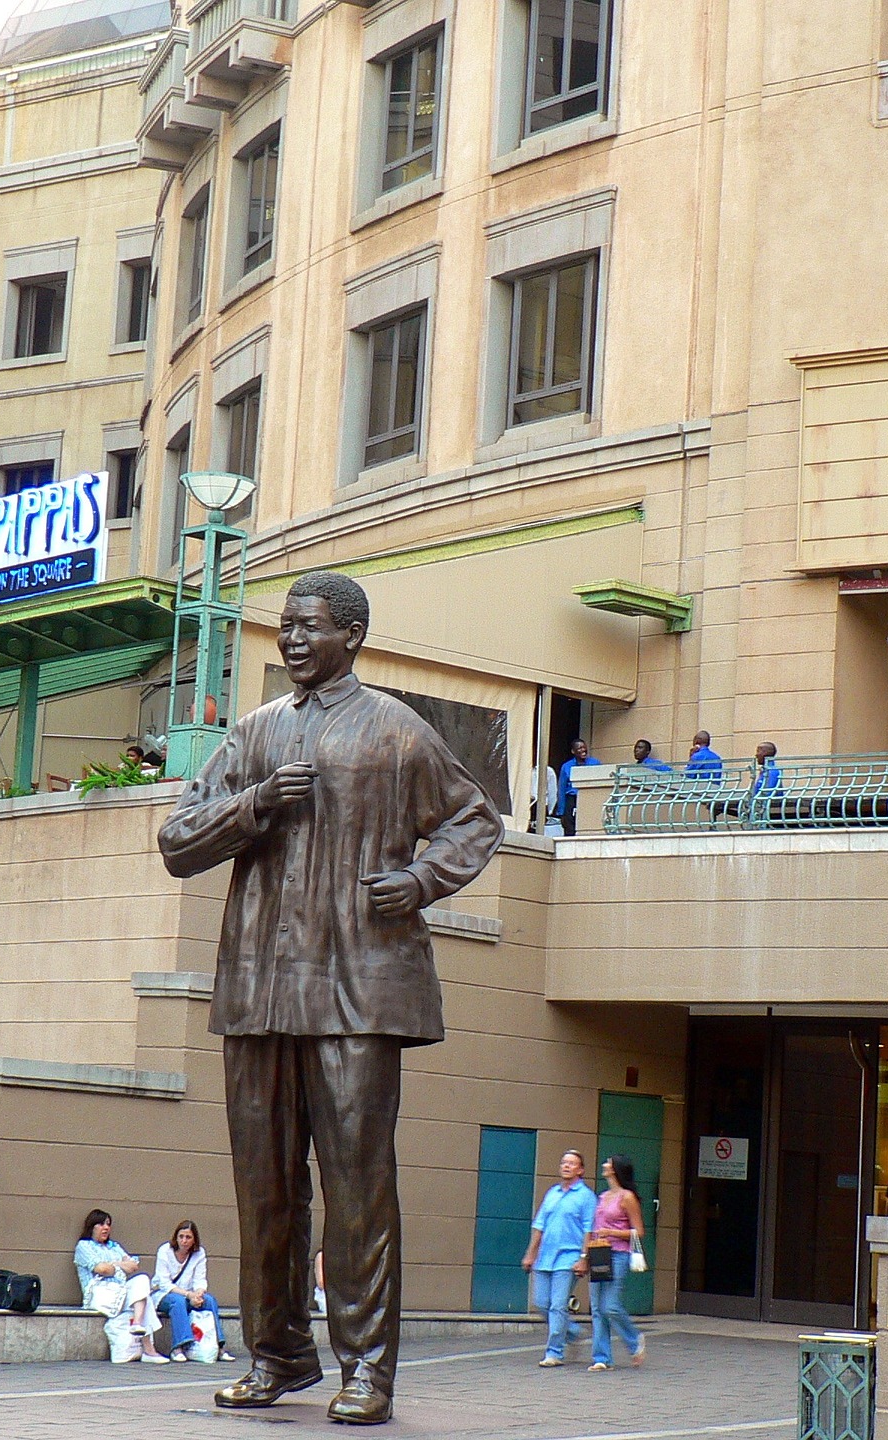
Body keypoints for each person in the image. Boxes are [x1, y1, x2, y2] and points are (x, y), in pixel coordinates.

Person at [158, 570, 503, 1426]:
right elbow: (175, 840)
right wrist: (252, 806)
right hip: (261, 993)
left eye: (310, 626)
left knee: (357, 1185)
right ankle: (276, 1355)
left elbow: (476, 817)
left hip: (356, 990)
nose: (294, 640)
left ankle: (368, 1370)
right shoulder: (256, 732)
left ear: (352, 634)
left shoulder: (395, 730)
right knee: (264, 1188)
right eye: (286, 626)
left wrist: (422, 878)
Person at [521, 1150, 597, 1368]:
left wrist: (584, 1258)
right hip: (545, 1258)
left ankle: (554, 1352)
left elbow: (588, 1230)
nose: (566, 1166)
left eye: (572, 1163)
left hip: (569, 1258)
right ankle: (572, 1331)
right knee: (541, 1303)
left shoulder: (586, 1197)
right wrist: (530, 1253)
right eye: (564, 1162)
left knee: (557, 1306)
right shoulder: (552, 1193)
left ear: (580, 1170)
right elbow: (539, 1226)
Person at [73, 1210, 167, 1364]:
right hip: (99, 1292)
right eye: (101, 1224)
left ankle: (137, 1323)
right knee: (144, 1298)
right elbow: (102, 1270)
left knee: (142, 1280)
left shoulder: (114, 1246)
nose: (106, 1228)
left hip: (119, 1291)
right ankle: (149, 1349)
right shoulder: (84, 1246)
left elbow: (133, 1266)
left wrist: (113, 1266)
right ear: (92, 1227)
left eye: (108, 1224)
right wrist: (119, 1264)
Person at [585, 1156, 646, 1372]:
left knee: (609, 1305)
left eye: (608, 1163)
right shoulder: (603, 1197)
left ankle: (634, 1339)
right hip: (598, 1253)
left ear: (616, 1170)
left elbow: (639, 1231)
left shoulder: (627, 1197)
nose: (604, 1165)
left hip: (618, 1254)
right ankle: (602, 1357)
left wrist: (612, 1232)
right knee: (597, 1308)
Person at [152, 1220, 235, 1363]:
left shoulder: (199, 1253)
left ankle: (220, 1346)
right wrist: (189, 1295)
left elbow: (200, 1279)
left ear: (194, 1239)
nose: (184, 1241)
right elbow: (165, 1284)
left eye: (188, 1237)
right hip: (164, 1295)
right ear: (176, 1237)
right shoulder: (165, 1251)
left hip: (190, 1295)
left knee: (210, 1300)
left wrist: (199, 1294)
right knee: (177, 1302)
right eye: (181, 1236)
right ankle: (179, 1347)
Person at [555, 739, 600, 838]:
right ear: (573, 751)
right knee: (570, 829)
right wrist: (561, 812)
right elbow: (561, 789)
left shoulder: (595, 763)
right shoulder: (566, 766)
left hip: (589, 798)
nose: (583, 750)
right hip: (572, 799)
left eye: (584, 747)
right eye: (579, 748)